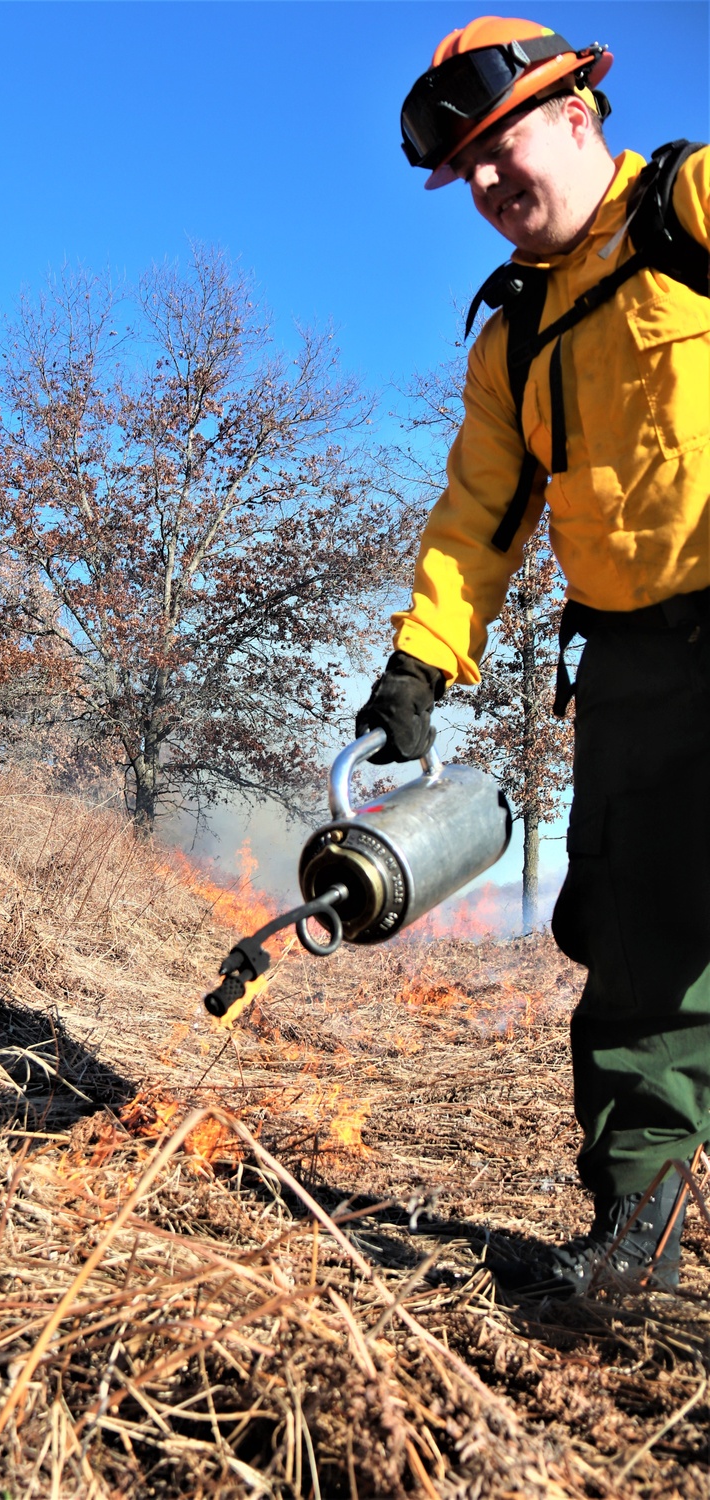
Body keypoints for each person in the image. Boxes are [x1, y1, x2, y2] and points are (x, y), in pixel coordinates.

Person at [356, 16, 710, 1295]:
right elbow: (476, 517)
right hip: (628, 671)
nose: (494, 187)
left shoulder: (690, 209)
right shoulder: (514, 339)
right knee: (632, 944)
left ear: (577, 113)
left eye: (504, 148)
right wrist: (417, 669)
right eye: (470, 177)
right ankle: (641, 1234)